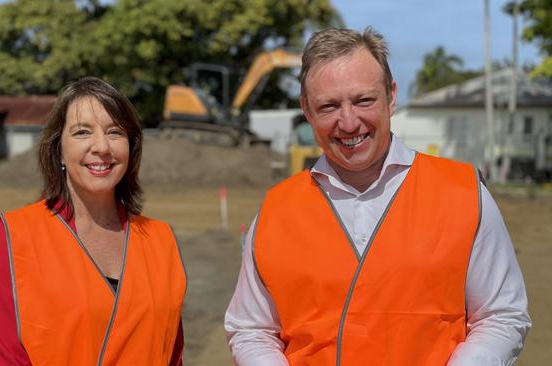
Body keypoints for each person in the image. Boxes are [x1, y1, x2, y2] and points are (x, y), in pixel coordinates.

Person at [225, 27, 531, 365]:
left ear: (391, 96)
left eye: (363, 100)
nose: (349, 122)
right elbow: (251, 328)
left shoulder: (464, 193)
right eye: (328, 106)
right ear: (307, 111)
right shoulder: (276, 210)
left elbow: (501, 316)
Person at [0, 77, 186, 365]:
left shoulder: (160, 240)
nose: (102, 146)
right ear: (58, 148)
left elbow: (171, 352)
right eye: (82, 132)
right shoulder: (13, 238)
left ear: (131, 147)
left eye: (115, 132)